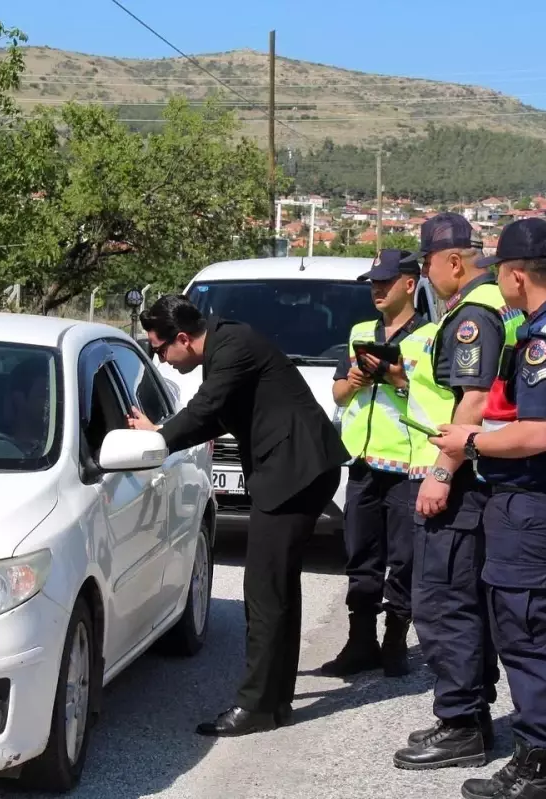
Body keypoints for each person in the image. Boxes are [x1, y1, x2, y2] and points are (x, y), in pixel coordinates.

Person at [431, 218, 546, 799]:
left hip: (537, 503)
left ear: (514, 275)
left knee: (529, 635)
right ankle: (539, 760)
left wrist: (469, 443)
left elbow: (535, 435)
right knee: (535, 628)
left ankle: (537, 770)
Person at [128, 294, 349, 737]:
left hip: (295, 472)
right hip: (297, 469)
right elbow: (221, 415)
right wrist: (165, 433)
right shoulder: (225, 345)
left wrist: (159, 439)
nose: (161, 360)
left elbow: (207, 408)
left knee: (265, 592)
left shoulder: (232, 348)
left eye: (159, 349)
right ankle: (274, 701)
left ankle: (258, 706)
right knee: (277, 589)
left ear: (184, 339)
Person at [393, 214, 524, 771]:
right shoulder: (501, 305)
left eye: (425, 263)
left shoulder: (473, 313)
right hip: (487, 474)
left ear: (452, 261)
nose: (424, 274)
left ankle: (461, 722)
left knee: (444, 601)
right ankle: (468, 715)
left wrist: (441, 474)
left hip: (465, 477)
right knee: (462, 600)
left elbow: (471, 401)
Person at [323, 249, 425, 679]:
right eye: (373, 283)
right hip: (362, 461)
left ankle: (395, 641)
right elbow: (338, 394)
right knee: (361, 557)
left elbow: (438, 398)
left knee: (404, 559)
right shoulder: (360, 331)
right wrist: (355, 380)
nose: (377, 289)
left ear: (409, 283)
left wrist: (398, 378)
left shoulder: (430, 335)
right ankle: (360, 641)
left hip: (406, 465)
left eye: (385, 281)